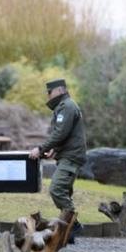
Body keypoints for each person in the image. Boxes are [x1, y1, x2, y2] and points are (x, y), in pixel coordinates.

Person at [28, 78, 87, 243]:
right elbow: (66, 134)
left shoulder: (67, 106)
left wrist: (41, 149)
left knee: (57, 189)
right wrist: (55, 149)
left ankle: (73, 225)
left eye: (50, 92)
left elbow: (60, 133)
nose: (48, 95)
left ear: (60, 90)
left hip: (71, 157)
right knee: (65, 192)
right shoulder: (64, 106)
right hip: (68, 155)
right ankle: (68, 233)